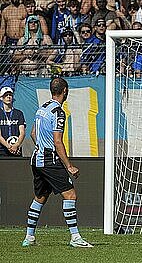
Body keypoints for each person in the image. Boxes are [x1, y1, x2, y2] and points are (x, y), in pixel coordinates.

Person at [22, 77, 93, 247]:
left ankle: (29, 237)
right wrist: (69, 166)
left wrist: (41, 145)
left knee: (40, 197)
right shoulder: (58, 112)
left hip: (37, 159)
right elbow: (58, 141)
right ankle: (75, 238)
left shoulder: (42, 108)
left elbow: (33, 133)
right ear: (65, 91)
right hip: (49, 160)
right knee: (70, 195)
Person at [0, 86, 25, 156]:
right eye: (6, 95)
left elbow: (22, 133)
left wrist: (16, 145)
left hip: (16, 149)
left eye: (10, 95)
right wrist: (9, 146)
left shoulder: (19, 113)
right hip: (2, 150)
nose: (8, 97)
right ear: (1, 98)